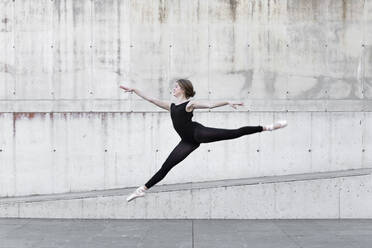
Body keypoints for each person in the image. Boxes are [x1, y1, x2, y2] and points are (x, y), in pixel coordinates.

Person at [120, 79, 287, 202]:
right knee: (166, 166)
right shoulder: (171, 106)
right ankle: (142, 189)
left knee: (234, 133)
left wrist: (227, 101)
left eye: (176, 86)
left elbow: (209, 105)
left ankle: (268, 127)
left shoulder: (189, 104)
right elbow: (151, 99)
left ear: (183, 89)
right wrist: (134, 90)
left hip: (198, 133)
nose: (174, 88)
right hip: (187, 142)